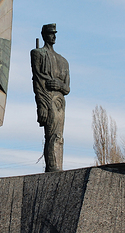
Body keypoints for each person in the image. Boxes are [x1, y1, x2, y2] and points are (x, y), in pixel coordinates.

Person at [30, 23, 70, 172]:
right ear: (44, 35)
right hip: (48, 98)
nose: (54, 36)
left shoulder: (63, 61)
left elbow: (67, 88)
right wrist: (41, 106)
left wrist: (59, 85)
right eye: (51, 33)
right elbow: (38, 81)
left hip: (60, 100)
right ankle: (53, 168)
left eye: (55, 33)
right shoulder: (37, 54)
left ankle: (58, 166)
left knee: (59, 136)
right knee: (52, 135)